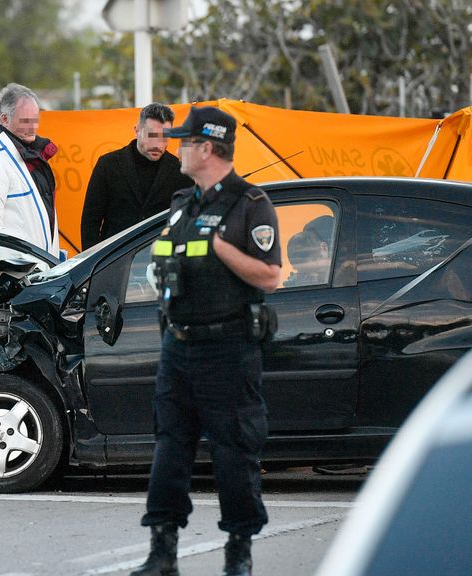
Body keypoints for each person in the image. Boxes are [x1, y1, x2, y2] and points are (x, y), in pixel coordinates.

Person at [133, 106, 282, 576]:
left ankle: (238, 554)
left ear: (207, 148)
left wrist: (222, 250)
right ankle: (162, 553)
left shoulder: (249, 204)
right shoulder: (183, 203)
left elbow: (272, 275)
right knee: (169, 447)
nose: (176, 148)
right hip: (178, 346)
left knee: (233, 451)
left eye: (184, 141)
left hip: (228, 347)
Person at [0, 83, 60, 260]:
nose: (33, 126)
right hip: (14, 281)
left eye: (35, 118)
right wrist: (8, 279)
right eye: (25, 120)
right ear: (4, 119)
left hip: (40, 275)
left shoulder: (31, 158)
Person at [80, 103, 192, 249]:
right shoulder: (108, 165)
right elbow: (90, 221)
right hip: (113, 260)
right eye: (152, 136)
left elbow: (188, 222)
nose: (158, 144)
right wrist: (92, 265)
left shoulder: (180, 170)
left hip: (159, 259)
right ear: (137, 130)